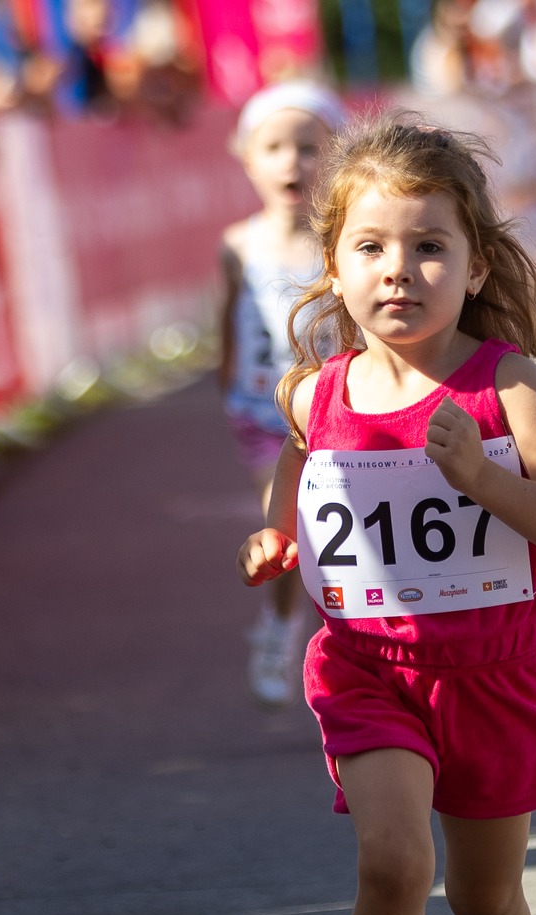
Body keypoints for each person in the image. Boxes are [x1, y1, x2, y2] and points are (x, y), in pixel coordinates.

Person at [236, 116, 536, 915]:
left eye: (429, 246)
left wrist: (482, 476)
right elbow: (298, 478)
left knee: (484, 898)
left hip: (494, 672)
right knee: (394, 861)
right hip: (371, 669)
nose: (399, 270)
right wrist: (276, 537)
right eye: (372, 247)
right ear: (335, 266)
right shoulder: (315, 391)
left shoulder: (507, 384)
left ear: (476, 266)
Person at [220, 81, 345, 706]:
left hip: (338, 411)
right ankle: (280, 624)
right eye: (273, 148)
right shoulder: (238, 244)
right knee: (293, 529)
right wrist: (227, 384)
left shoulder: (344, 242)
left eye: (310, 147)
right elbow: (227, 320)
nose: (292, 162)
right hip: (265, 416)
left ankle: (357, 640)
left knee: (346, 529)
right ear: (247, 159)